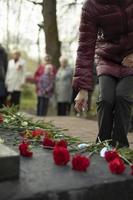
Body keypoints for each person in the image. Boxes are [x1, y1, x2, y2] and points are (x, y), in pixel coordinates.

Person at [73, 0, 133, 148]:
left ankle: (120, 147)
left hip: (131, 58)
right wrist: (82, 89)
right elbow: (85, 49)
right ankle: (103, 145)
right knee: (106, 99)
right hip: (107, 58)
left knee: (122, 96)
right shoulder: (91, 6)